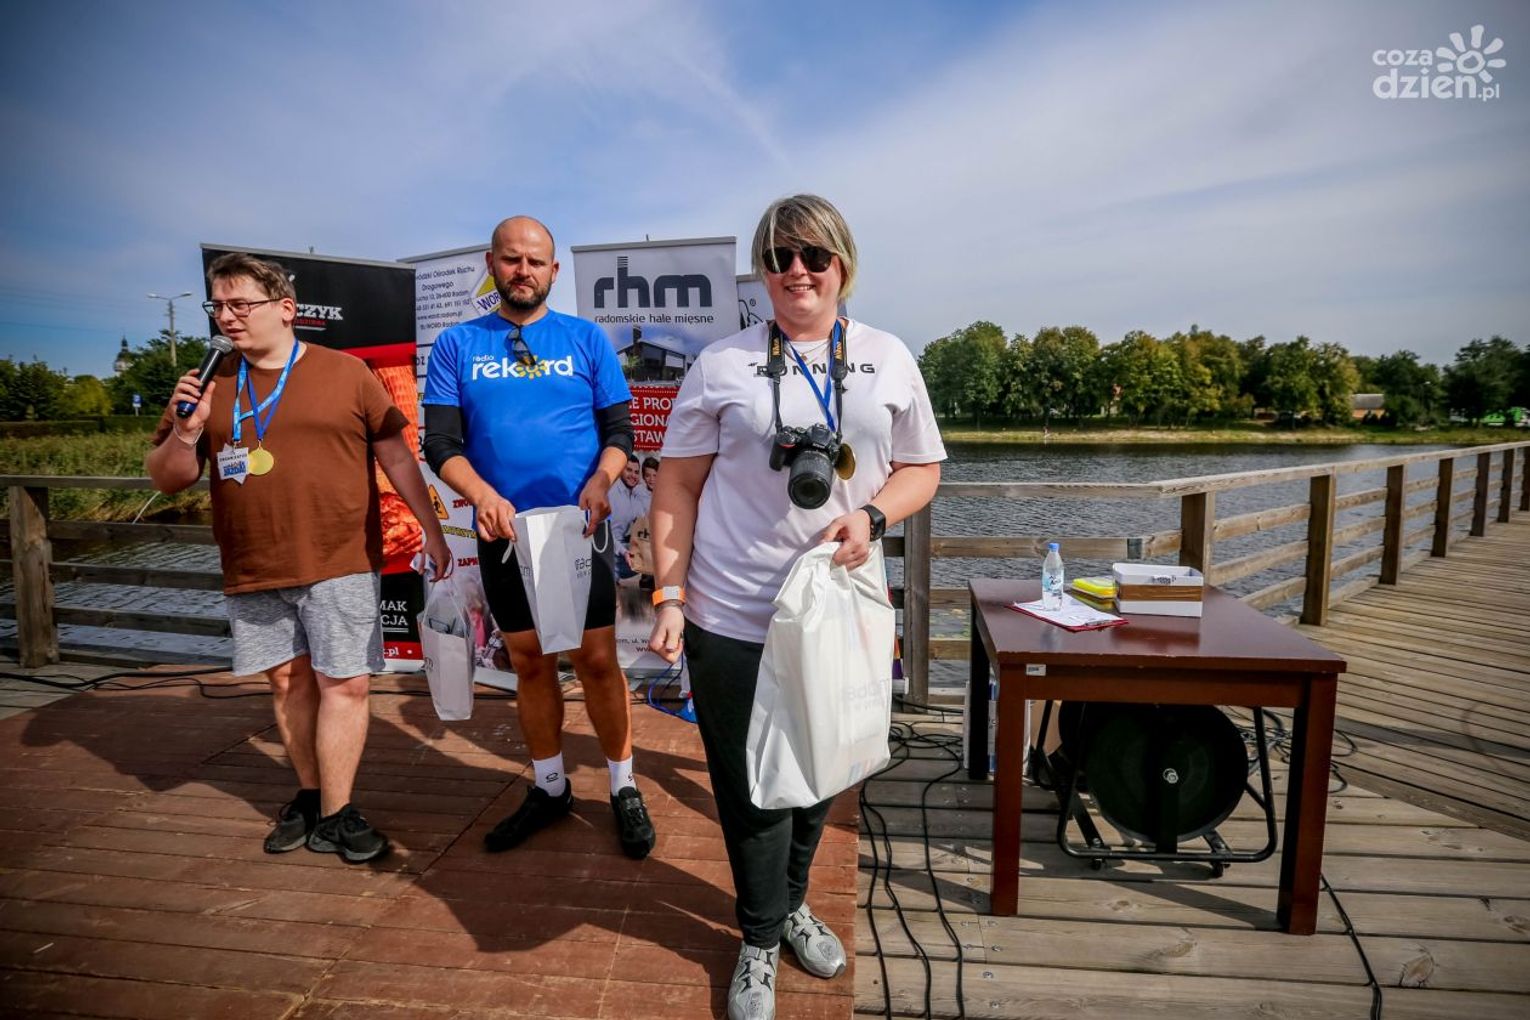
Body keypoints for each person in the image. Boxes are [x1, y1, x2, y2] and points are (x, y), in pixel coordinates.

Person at [647, 195, 945, 1019]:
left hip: (839, 610)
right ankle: (757, 938)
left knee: (822, 773)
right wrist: (668, 594)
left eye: (814, 255)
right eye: (779, 257)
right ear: (762, 271)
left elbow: (922, 468)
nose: (797, 271)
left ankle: (791, 905)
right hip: (731, 612)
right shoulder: (722, 364)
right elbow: (676, 485)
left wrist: (873, 515)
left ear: (843, 263)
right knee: (749, 787)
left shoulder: (887, 356)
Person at [146, 252, 452, 863]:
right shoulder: (206, 383)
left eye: (241, 304)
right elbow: (167, 479)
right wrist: (185, 431)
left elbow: (397, 458)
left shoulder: (347, 372)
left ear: (286, 309)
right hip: (253, 561)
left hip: (340, 554)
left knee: (346, 683)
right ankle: (310, 797)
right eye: (218, 305)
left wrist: (433, 531)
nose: (227, 317)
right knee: (287, 682)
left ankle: (339, 813)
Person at [421, 216, 656, 860]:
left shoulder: (585, 339)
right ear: (491, 265)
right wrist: (482, 495)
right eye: (511, 259)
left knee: (597, 660)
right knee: (528, 661)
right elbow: (440, 443)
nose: (523, 270)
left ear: (554, 271)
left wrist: (603, 480)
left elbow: (620, 432)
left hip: (579, 528)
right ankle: (551, 787)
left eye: (535, 261)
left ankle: (623, 785)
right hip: (502, 532)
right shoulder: (457, 344)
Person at [608, 452, 650, 580]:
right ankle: (611, 578)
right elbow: (603, 534)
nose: (633, 475)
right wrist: (624, 551)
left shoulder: (633, 495)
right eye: (629, 470)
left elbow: (645, 519)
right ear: (621, 470)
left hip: (621, 546)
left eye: (636, 472)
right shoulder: (612, 493)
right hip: (607, 549)